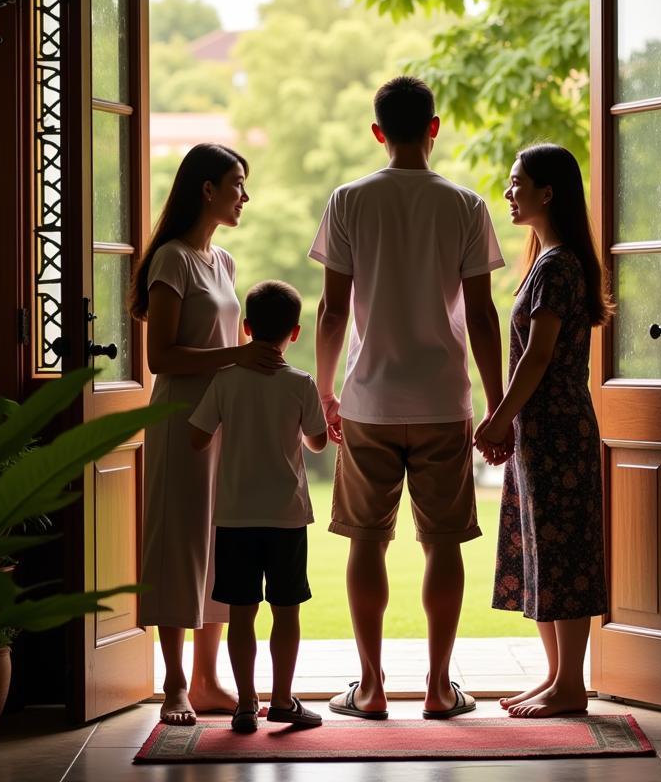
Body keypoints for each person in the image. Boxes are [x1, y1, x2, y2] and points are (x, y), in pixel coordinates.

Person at [311, 75, 505, 720]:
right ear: (434, 126)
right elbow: (481, 315)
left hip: (369, 399)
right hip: (444, 400)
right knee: (441, 544)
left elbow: (333, 309)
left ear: (377, 133)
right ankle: (438, 687)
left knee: (366, 542)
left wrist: (324, 391)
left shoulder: (349, 200)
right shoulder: (466, 205)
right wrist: (498, 401)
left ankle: (368, 689)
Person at [129, 143, 285, 726]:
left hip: (222, 422)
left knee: (221, 546)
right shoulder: (173, 259)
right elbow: (162, 356)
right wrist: (240, 354)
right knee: (178, 545)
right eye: (237, 184)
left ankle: (207, 680)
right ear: (207, 190)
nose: (245, 196)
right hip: (178, 419)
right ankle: (172, 686)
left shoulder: (223, 263)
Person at [475, 143, 613, 718]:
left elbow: (537, 356)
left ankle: (570, 685)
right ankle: (557, 677)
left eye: (516, 182)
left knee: (562, 553)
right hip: (543, 429)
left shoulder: (557, 266)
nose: (508, 193)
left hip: (556, 429)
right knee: (542, 550)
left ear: (546, 192)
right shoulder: (547, 257)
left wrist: (500, 415)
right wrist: (511, 419)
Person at [190, 280, 328, 733]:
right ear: (296, 332)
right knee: (287, 611)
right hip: (285, 515)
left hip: (235, 515)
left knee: (241, 613)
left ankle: (246, 702)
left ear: (245, 327)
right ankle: (283, 700)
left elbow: (197, 436)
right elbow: (318, 440)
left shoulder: (225, 380)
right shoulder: (300, 383)